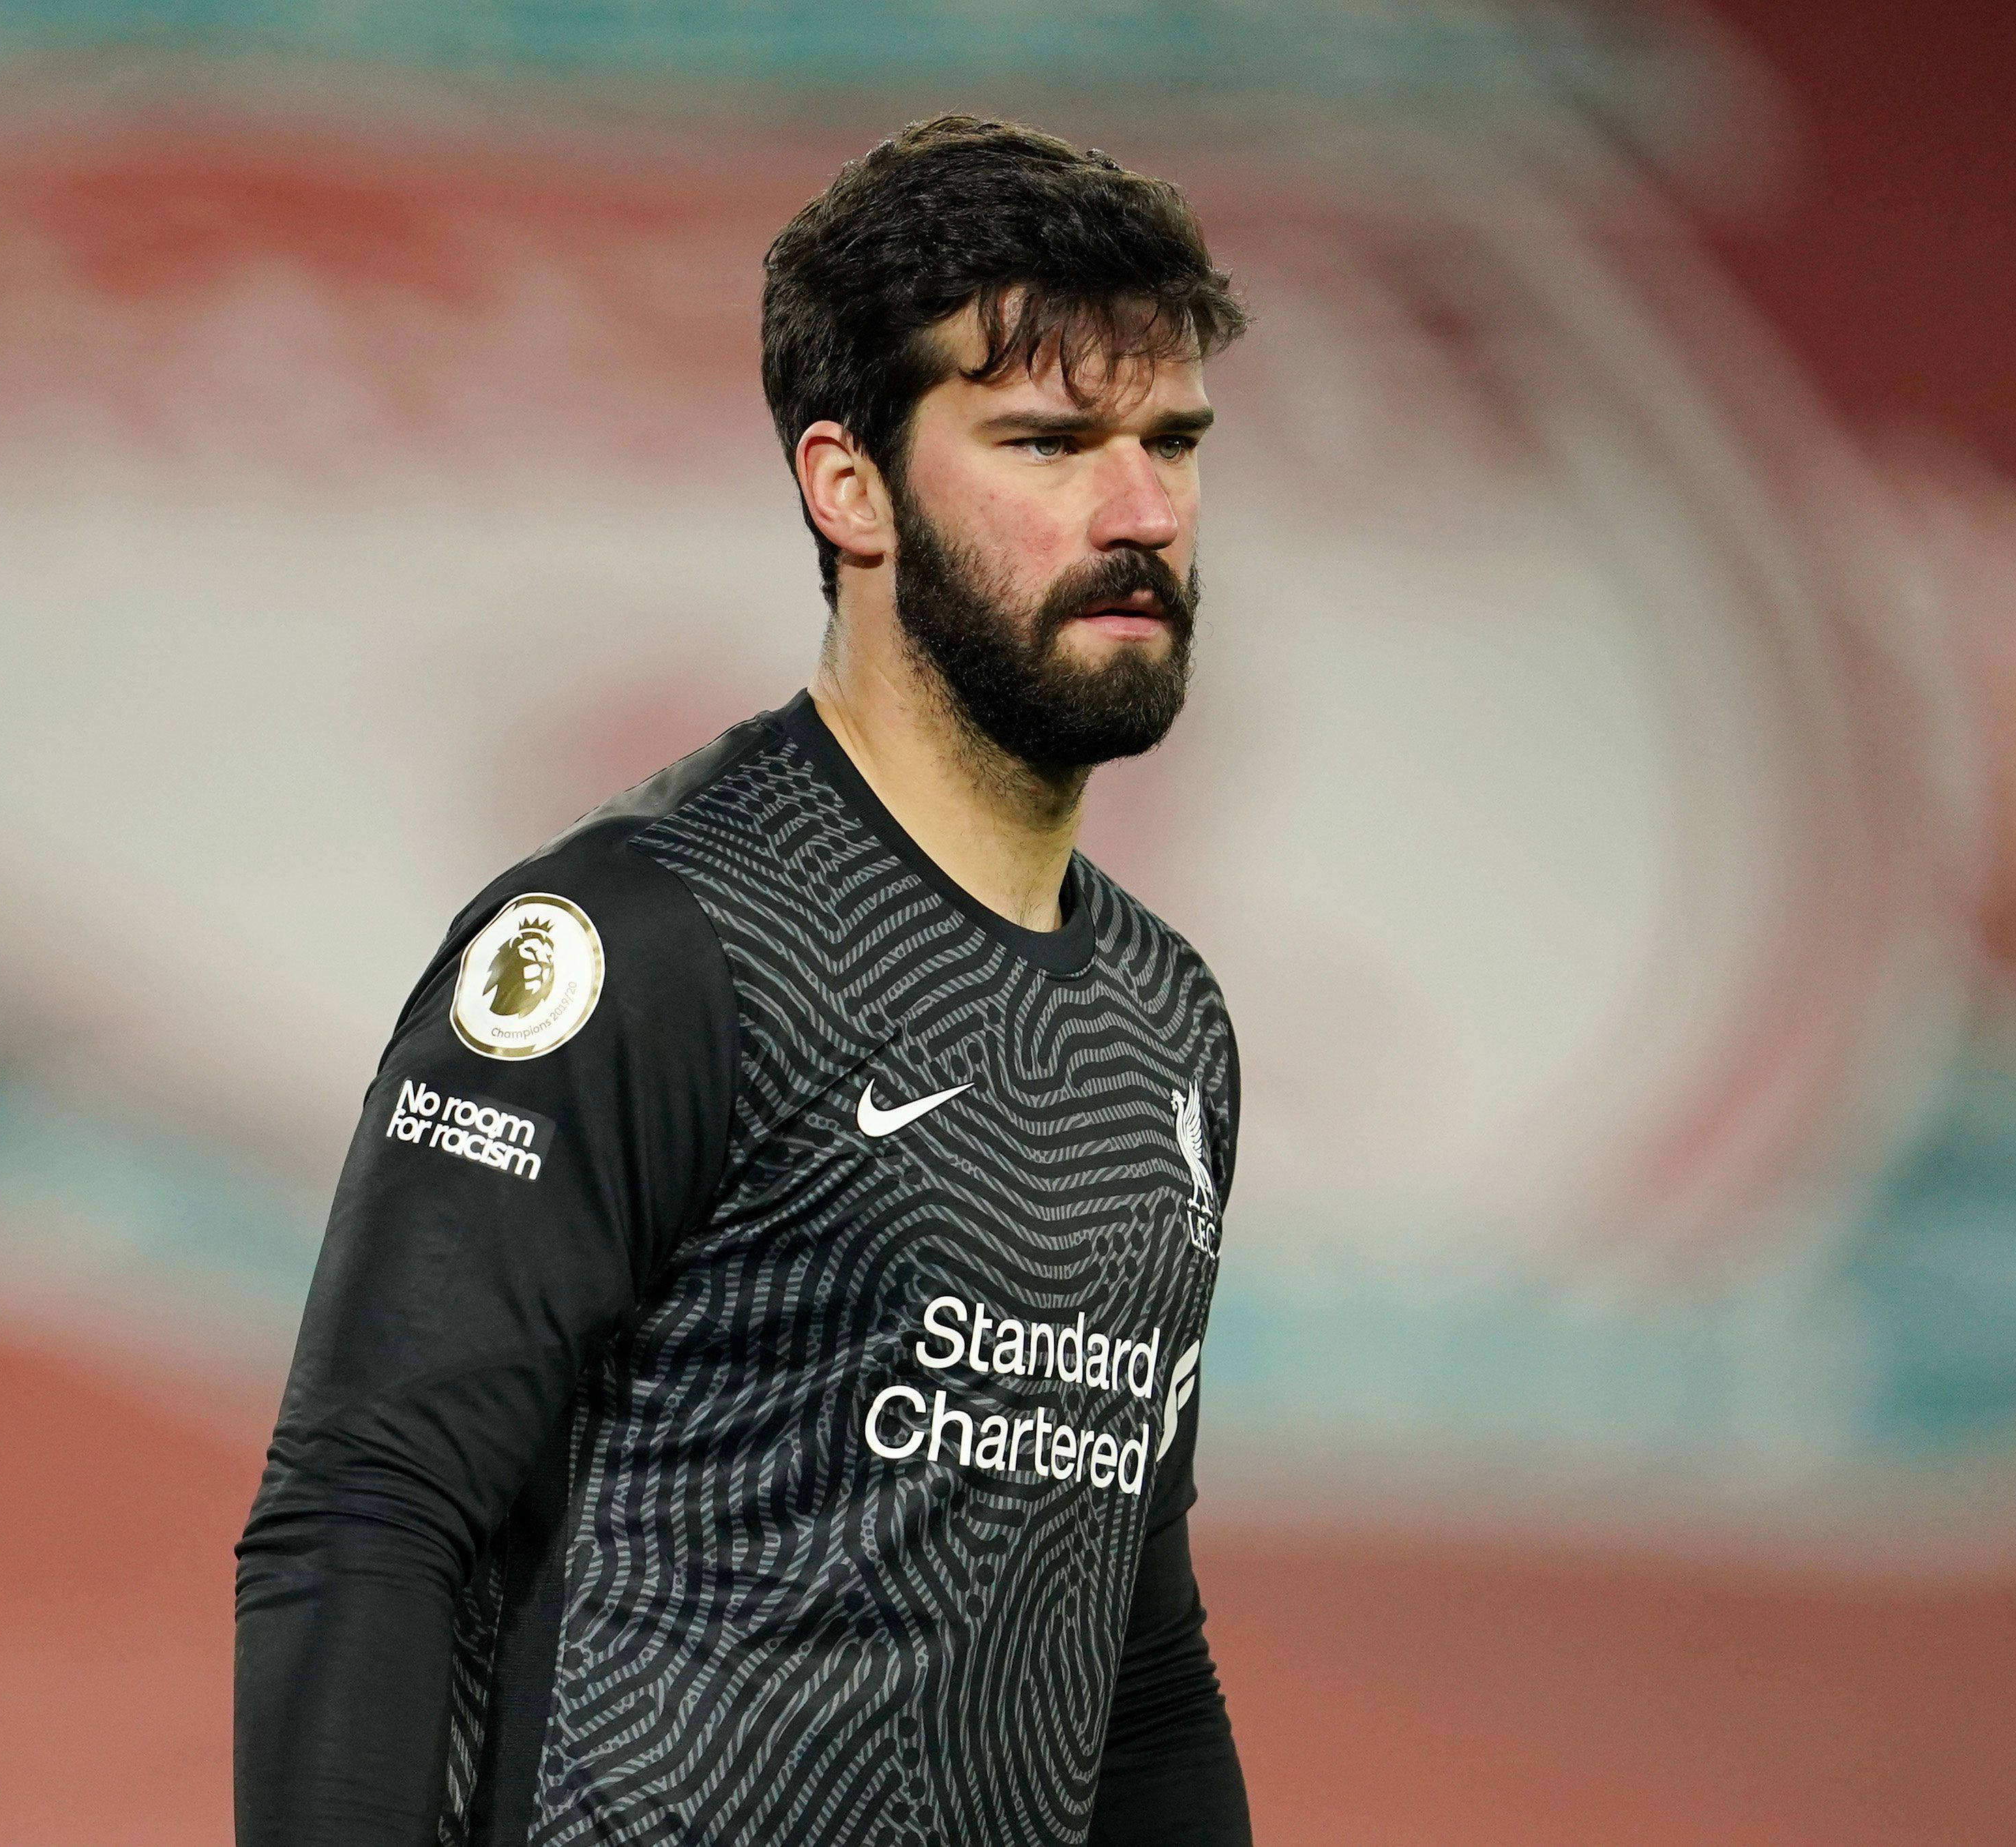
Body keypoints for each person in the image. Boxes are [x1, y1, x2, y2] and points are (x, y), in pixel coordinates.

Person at [235, 113, 1252, 1847]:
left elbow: (1133, 1656)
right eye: (1048, 441)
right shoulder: (641, 938)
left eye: (1171, 440)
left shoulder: (1168, 1025)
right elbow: (365, 1512)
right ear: (848, 485)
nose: (1142, 509)